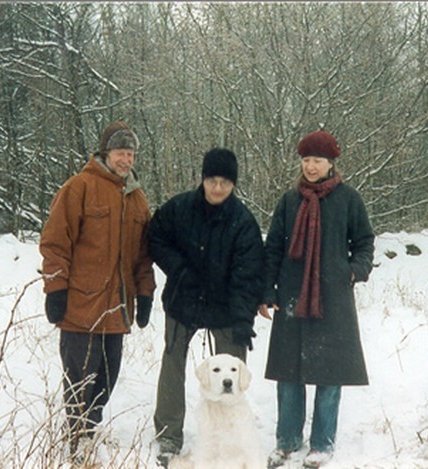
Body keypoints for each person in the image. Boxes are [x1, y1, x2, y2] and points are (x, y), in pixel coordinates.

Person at [39, 121, 156, 459]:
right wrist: (56, 288)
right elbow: (55, 243)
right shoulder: (79, 187)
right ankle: (77, 438)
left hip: (117, 309)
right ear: (106, 153)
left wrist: (145, 293)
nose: (126, 160)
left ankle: (91, 427)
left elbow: (143, 255)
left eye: (130, 153)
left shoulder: (136, 197)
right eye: (120, 152)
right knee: (79, 378)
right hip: (80, 306)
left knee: (108, 375)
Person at [260, 130, 375, 468]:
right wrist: (268, 291)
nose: (310, 167)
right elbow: (273, 249)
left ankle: (322, 444)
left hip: (332, 297)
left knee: (330, 373)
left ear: (330, 163)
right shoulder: (289, 201)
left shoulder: (349, 199)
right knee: (289, 372)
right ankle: (287, 442)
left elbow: (365, 241)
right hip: (292, 295)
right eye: (306, 160)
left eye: (317, 160)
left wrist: (353, 271)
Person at [148, 148, 264, 467]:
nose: (217, 188)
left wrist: (243, 320)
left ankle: (232, 430)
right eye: (212, 180)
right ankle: (169, 435)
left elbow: (249, 274)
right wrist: (178, 268)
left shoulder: (243, 222)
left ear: (234, 185)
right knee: (173, 362)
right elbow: (155, 237)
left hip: (224, 305)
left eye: (225, 182)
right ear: (202, 178)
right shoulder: (180, 208)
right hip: (183, 298)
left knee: (233, 368)